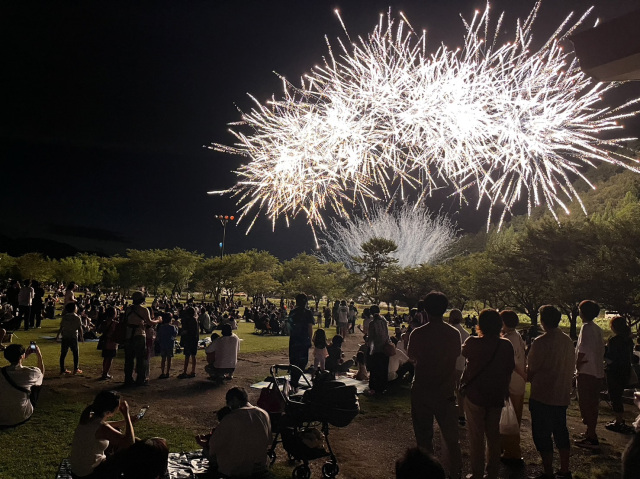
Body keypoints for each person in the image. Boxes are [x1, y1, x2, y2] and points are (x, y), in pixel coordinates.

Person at [407, 291, 462, 479]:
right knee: (451, 439)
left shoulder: (418, 333)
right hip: (445, 389)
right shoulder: (453, 334)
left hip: (422, 389)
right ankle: (455, 474)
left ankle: (426, 475)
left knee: (423, 438)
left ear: (426, 309)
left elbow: (412, 357)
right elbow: (455, 357)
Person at [460, 309, 514, 479]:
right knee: (493, 436)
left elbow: (464, 354)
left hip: (475, 394)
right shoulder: (506, 345)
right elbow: (509, 368)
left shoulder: (472, 343)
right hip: (496, 394)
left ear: (480, 325)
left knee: (476, 437)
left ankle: (477, 473)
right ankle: (493, 473)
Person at [527, 305, 575, 479]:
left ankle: (548, 471)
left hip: (542, 394)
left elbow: (531, 369)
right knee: (561, 431)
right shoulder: (568, 341)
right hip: (561, 394)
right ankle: (564, 469)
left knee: (542, 434)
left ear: (542, 321)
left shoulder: (541, 342)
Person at [206, 387, 271, 478]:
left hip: (235, 469)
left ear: (234, 400)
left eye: (228, 402)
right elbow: (268, 440)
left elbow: (214, 445)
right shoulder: (264, 414)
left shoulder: (230, 418)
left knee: (207, 452)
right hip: (260, 465)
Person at [69, 390, 135, 478]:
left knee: (117, 431)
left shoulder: (88, 417)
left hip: (77, 471)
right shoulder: (102, 427)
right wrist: (127, 416)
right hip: (90, 474)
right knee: (127, 454)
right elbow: (130, 442)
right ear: (108, 412)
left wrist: (125, 422)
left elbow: (106, 425)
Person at [574, 299, 605, 449]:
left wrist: (576, 367)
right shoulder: (597, 329)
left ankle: (591, 436)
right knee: (593, 404)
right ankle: (589, 432)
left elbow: (582, 352)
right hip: (597, 371)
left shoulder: (586, 328)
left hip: (587, 371)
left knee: (586, 404)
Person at [499, 310, 527, 468]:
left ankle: (511, 451)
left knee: (510, 419)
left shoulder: (508, 339)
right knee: (514, 416)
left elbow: (512, 363)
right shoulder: (517, 336)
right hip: (519, 383)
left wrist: (522, 374)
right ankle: (511, 449)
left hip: (511, 381)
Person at [0, 343, 44, 428]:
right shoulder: (30, 373)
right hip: (19, 416)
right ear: (21, 356)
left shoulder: (2, 372)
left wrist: (22, 356)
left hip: (1, 416)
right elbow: (41, 374)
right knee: (36, 386)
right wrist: (39, 355)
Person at [604, 316, 634, 432]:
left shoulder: (614, 340)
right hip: (625, 370)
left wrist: (604, 353)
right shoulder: (628, 340)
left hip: (614, 371)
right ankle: (619, 420)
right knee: (619, 395)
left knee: (614, 396)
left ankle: (618, 421)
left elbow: (610, 358)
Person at [124, 291, 158, 386]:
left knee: (129, 358)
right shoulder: (143, 310)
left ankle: (128, 378)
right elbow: (150, 322)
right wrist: (158, 320)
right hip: (139, 334)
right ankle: (140, 378)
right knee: (140, 358)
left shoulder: (128, 309)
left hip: (128, 334)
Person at [288, 293, 315, 389]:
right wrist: (310, 339)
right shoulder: (307, 312)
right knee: (303, 361)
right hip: (304, 339)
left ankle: (293, 380)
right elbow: (309, 327)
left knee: (294, 360)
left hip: (294, 339)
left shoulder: (293, 312)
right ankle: (296, 379)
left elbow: (289, 326)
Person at [448, 308, 469, 426]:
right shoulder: (466, 334)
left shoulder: (448, 331)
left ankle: (450, 412)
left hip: (449, 364)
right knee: (460, 390)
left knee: (449, 389)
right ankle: (461, 413)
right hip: (460, 364)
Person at [367, 304, 390, 396]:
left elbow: (371, 338)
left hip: (377, 349)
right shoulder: (384, 321)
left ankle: (374, 387)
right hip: (385, 348)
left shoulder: (372, 323)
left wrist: (369, 348)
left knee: (375, 369)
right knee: (384, 369)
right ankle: (383, 387)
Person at [56, 302, 84, 375]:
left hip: (65, 336)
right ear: (74, 309)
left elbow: (61, 327)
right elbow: (80, 328)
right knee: (75, 353)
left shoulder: (65, 317)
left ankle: (62, 369)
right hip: (73, 337)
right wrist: (81, 337)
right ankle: (75, 368)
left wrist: (57, 336)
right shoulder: (77, 317)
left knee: (63, 353)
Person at [179, 306, 200, 379]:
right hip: (194, 340)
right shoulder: (195, 320)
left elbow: (186, 331)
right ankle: (193, 371)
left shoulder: (189, 320)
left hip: (189, 340)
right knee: (193, 356)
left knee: (187, 356)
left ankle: (185, 371)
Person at [99, 306, 119, 380]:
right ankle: (105, 373)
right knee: (110, 359)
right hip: (112, 343)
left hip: (105, 342)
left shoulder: (104, 322)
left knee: (105, 358)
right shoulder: (115, 324)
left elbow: (99, 330)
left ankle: (104, 371)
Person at [157, 312, 178, 379]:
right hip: (170, 344)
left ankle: (162, 372)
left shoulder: (161, 327)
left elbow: (159, 336)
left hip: (163, 344)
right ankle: (167, 372)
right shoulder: (172, 327)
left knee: (163, 359)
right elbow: (175, 334)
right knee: (169, 359)